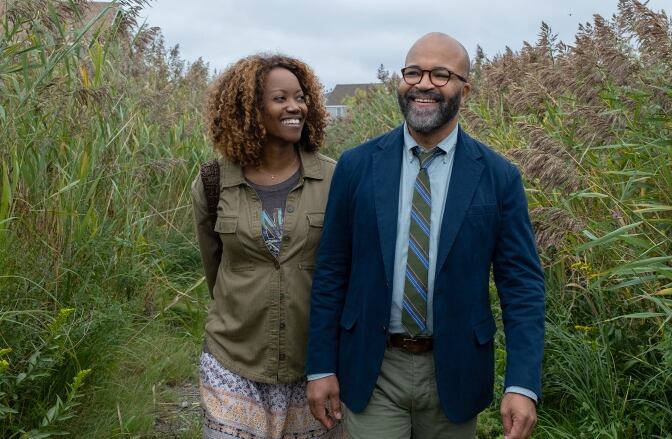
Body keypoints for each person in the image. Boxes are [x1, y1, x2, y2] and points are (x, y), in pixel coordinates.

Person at [305, 32, 546, 439]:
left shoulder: (498, 177)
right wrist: (321, 366)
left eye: (440, 75)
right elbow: (331, 271)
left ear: (464, 89)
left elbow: (522, 286)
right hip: (374, 366)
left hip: (455, 369)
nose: (423, 84)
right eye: (413, 72)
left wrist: (522, 384)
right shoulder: (357, 166)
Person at [192, 54, 345, 439]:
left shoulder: (334, 178)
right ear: (250, 109)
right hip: (232, 357)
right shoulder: (213, 182)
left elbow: (347, 269)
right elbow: (215, 267)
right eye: (280, 98)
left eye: (300, 97)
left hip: (310, 364)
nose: (295, 107)